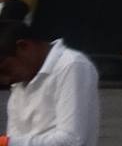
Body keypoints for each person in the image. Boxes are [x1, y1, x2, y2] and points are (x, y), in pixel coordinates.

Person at [0, 18, 100, 146]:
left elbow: (71, 140)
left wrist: (5, 142)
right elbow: (15, 139)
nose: (5, 80)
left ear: (24, 46)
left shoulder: (71, 66)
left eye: (6, 70)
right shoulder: (20, 80)